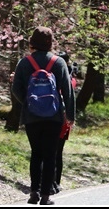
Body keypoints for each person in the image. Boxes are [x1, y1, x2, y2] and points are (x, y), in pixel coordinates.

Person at [11, 26, 76, 206]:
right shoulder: (59, 63)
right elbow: (68, 91)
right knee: (50, 155)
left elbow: (15, 88)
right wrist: (70, 115)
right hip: (54, 116)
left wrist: (29, 102)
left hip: (32, 117)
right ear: (50, 42)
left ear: (32, 42)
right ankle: (46, 197)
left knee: (36, 153)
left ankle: (34, 193)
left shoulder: (24, 63)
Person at [52, 51, 78, 195]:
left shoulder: (54, 76)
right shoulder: (70, 78)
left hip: (53, 115)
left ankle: (51, 181)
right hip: (65, 118)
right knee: (59, 151)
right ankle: (57, 182)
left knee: (51, 150)